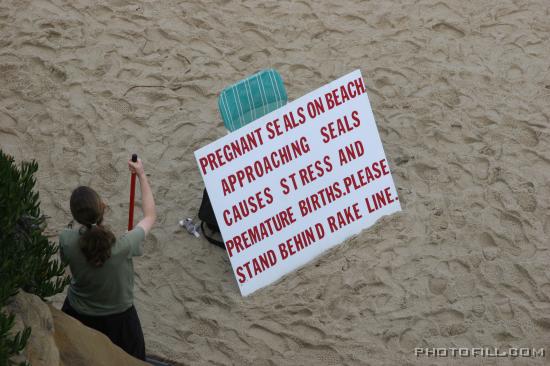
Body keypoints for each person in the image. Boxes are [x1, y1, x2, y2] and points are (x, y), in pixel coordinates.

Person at [59, 158, 156, 360]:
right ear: (102, 207)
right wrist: (141, 175)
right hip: (119, 319)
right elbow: (150, 216)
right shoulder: (123, 246)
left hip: (77, 312)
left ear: (75, 215)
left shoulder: (66, 239)